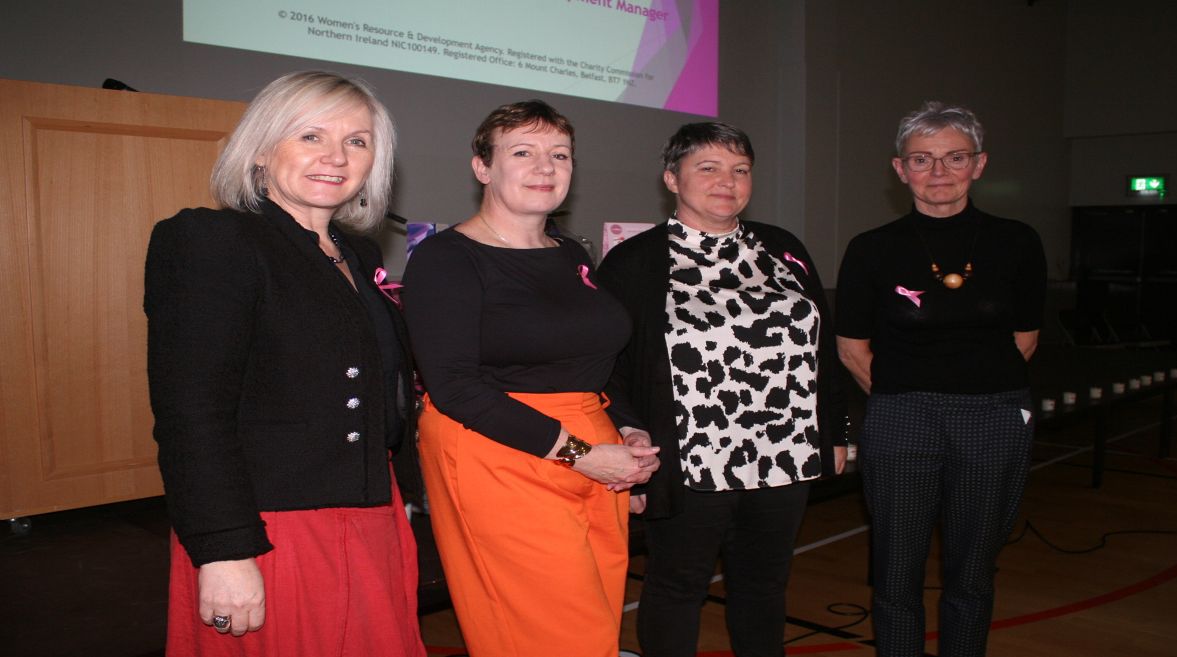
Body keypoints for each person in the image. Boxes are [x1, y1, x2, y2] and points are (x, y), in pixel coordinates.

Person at [144, 71, 425, 656]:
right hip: (272, 531)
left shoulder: (358, 254)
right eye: (310, 136)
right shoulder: (213, 240)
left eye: (357, 140)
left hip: (371, 518)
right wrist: (224, 550)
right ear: (261, 151)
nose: (335, 157)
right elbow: (192, 413)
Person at [401, 99, 661, 657]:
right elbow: (456, 389)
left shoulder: (571, 253)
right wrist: (582, 454)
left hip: (593, 444)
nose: (545, 167)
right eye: (523, 152)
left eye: (559, 154)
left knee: (593, 621)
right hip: (500, 450)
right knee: (547, 634)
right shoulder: (446, 259)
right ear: (483, 167)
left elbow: (597, 359)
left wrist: (629, 429)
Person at [595, 122, 849, 657]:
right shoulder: (635, 261)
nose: (726, 182)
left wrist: (836, 430)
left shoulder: (783, 247)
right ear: (672, 178)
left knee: (764, 587)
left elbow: (821, 347)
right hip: (689, 460)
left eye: (740, 170)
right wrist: (630, 442)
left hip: (786, 453)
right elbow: (607, 366)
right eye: (707, 168)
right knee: (676, 588)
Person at [835, 101, 1046, 656]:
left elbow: (1025, 338)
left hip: (994, 418)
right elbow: (852, 349)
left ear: (979, 164)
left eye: (955, 158)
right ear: (899, 169)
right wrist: (909, 394)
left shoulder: (1018, 241)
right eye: (922, 160)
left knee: (972, 574)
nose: (939, 173)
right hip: (902, 418)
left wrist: (975, 390)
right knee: (896, 574)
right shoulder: (871, 249)